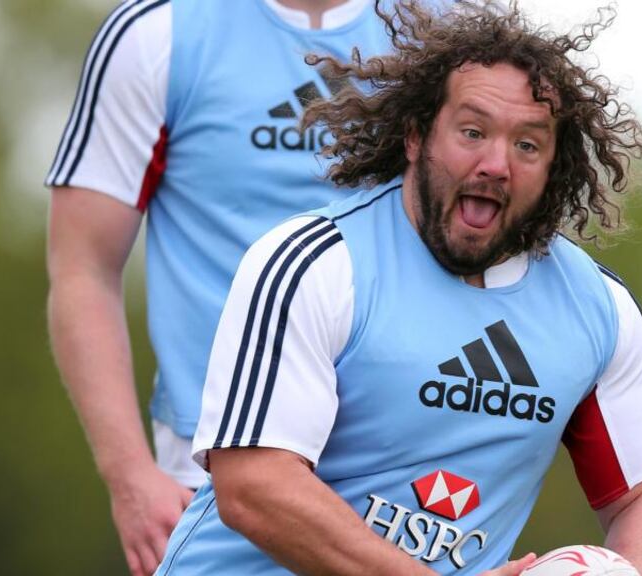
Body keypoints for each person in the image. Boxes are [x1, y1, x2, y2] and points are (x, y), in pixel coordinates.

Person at [156, 1, 642, 574]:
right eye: (472, 131)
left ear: (555, 166)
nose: (496, 163)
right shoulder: (318, 263)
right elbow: (254, 487)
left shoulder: (596, 310)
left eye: (527, 145)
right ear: (415, 136)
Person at [44, 1, 404, 574]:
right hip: (209, 475)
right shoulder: (158, 31)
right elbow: (82, 268)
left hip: (405, 479)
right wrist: (131, 476)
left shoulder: (450, 24)